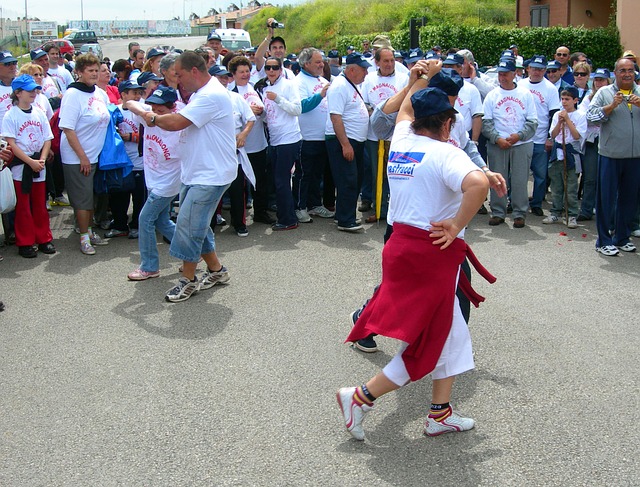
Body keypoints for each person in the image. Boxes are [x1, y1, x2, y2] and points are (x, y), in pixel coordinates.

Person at [337, 83, 492, 441]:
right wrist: (455, 224)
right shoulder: (446, 154)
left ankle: (440, 413)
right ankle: (359, 397)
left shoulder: (403, 139)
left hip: (402, 245)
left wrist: (419, 79)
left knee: (452, 336)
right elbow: (478, 184)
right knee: (431, 341)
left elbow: (405, 110)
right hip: (431, 254)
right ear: (448, 123)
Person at [128, 51, 236, 302]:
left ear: (194, 72)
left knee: (189, 225)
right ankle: (217, 270)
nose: (176, 80)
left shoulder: (211, 95)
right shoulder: (202, 94)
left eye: (179, 74)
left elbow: (176, 122)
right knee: (197, 224)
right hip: (197, 171)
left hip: (211, 175)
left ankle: (188, 280)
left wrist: (151, 117)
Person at [125, 86, 182, 281]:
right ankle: (193, 250)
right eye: (153, 107)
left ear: (172, 107)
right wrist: (147, 114)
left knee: (145, 219)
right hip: (153, 180)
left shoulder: (179, 123)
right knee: (161, 220)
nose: (156, 113)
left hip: (169, 182)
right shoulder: (149, 116)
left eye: (161, 110)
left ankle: (149, 266)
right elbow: (129, 103)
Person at [587, 57, 640, 256]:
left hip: (635, 156)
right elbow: (590, 118)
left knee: (629, 199)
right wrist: (610, 107)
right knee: (606, 200)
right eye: (623, 70)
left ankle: (622, 237)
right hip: (610, 155)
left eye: (630, 70)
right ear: (615, 73)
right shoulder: (604, 93)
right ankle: (603, 240)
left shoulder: (639, 92)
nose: (627, 74)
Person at [59, 53, 110, 255]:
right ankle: (83, 237)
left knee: (90, 197)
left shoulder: (99, 92)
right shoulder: (72, 95)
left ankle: (88, 231)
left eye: (97, 70)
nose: (94, 74)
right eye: (90, 70)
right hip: (77, 157)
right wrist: (82, 157)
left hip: (94, 155)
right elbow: (68, 129)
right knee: (82, 199)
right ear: (79, 72)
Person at [1, 74, 55, 258]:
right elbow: (12, 144)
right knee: (23, 206)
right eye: (29, 90)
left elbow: (47, 138)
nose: (34, 93)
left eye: (34, 89)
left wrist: (41, 159)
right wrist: (30, 162)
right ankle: (25, 241)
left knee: (40, 204)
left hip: (39, 164)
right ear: (17, 93)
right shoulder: (11, 115)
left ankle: (44, 238)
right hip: (21, 166)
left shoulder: (38, 112)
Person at [361, 47, 409, 223]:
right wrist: (377, 117)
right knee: (376, 173)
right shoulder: (369, 79)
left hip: (397, 135)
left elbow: (407, 104)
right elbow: (365, 104)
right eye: (385, 61)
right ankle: (379, 208)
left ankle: (396, 211)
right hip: (374, 135)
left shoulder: (404, 79)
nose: (389, 64)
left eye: (392, 60)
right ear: (377, 62)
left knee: (396, 174)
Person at [325, 53, 370, 232]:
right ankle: (345, 220)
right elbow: (336, 117)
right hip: (343, 140)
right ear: (351, 70)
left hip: (353, 140)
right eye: (363, 70)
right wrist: (345, 144)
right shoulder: (339, 86)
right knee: (348, 180)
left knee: (354, 178)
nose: (366, 73)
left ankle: (344, 214)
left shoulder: (350, 84)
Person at [259, 56, 302, 231]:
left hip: (289, 139)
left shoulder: (289, 85)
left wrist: (278, 99)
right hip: (275, 140)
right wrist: (259, 112)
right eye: (268, 68)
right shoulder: (265, 88)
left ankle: (288, 219)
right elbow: (267, 115)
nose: (271, 71)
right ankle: (286, 216)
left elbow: (297, 110)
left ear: (281, 69)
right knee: (278, 180)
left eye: (275, 67)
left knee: (281, 180)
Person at [517, 55, 561, 217]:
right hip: (521, 138)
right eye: (534, 68)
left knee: (540, 175)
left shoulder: (550, 89)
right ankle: (515, 201)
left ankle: (536, 203)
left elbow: (554, 114)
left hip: (540, 138)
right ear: (528, 69)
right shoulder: (520, 85)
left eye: (541, 69)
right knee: (518, 174)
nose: (537, 72)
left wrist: (550, 138)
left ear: (545, 71)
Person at [293, 47, 333, 222]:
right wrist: (320, 95)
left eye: (322, 61)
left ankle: (315, 204)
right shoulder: (298, 82)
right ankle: (300, 207)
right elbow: (302, 106)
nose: (321, 64)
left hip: (322, 136)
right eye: (317, 62)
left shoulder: (323, 79)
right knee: (304, 175)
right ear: (306, 63)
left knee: (317, 174)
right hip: (306, 137)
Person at [543, 87, 587, 229]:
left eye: (567, 99)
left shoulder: (580, 115)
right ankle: (556, 211)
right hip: (558, 152)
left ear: (575, 100)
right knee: (557, 185)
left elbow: (576, 136)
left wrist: (567, 120)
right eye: (562, 99)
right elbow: (553, 134)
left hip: (571, 153)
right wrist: (560, 122)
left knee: (571, 187)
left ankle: (572, 214)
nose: (564, 102)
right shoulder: (557, 115)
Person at [577, 68, 610, 222]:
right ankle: (586, 210)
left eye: (602, 80)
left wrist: (599, 116)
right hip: (592, 140)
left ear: (608, 81)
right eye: (596, 80)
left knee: (608, 178)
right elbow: (586, 119)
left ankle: (606, 211)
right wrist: (603, 116)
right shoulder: (588, 98)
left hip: (609, 139)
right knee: (590, 177)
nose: (599, 83)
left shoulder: (612, 97)